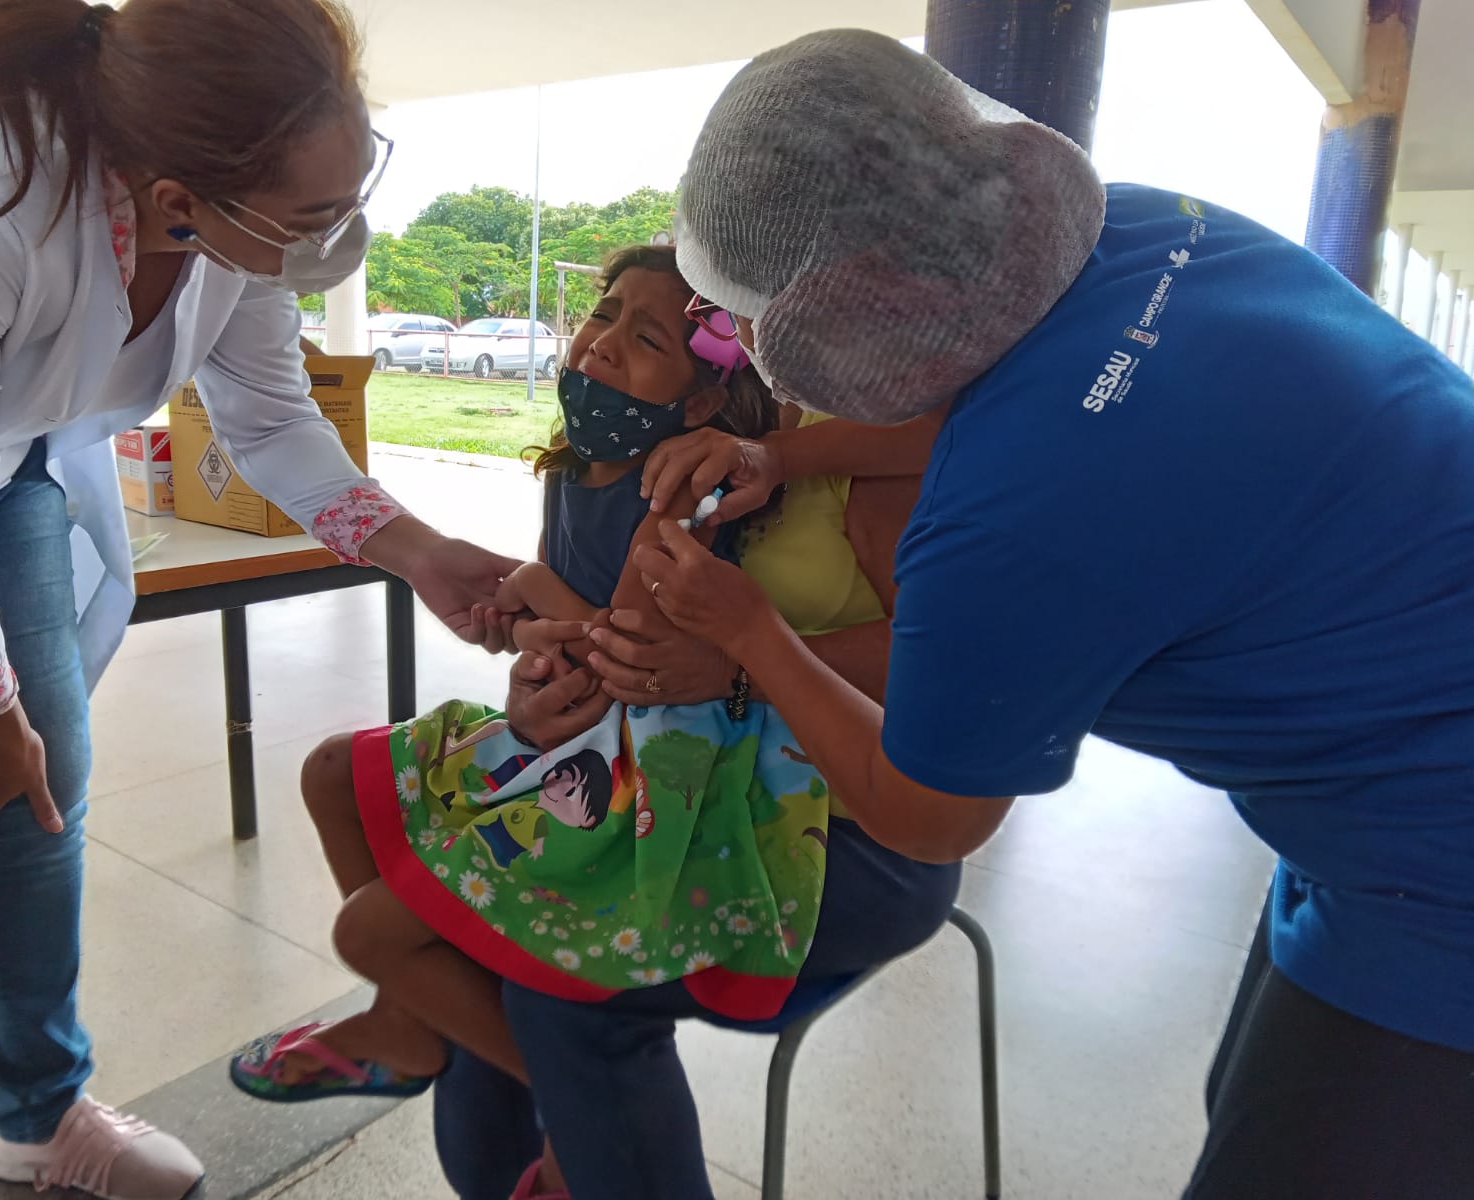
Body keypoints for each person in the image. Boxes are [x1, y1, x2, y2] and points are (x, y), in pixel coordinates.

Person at [632, 29, 1474, 1200]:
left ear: (847, 311)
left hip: (1438, 861)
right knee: (1252, 1102)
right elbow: (1005, 386)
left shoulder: (1012, 520)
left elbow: (929, 813)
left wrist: (746, 636)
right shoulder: (1154, 227)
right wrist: (780, 451)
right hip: (1379, 773)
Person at [0, 4, 519, 1199]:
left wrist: (418, 550)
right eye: (314, 217)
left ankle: (44, 1114)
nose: (340, 238)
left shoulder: (231, 227)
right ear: (175, 194)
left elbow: (269, 419)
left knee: (45, 783)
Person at [232, 246, 960, 1200]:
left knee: (536, 973)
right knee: (407, 861)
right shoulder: (684, 445)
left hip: (823, 820)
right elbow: (592, 643)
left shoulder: (848, 449)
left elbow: (944, 664)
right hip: (648, 768)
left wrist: (747, 652)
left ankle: (567, 1144)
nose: (606, 345)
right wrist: (536, 695)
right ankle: (488, 1133)